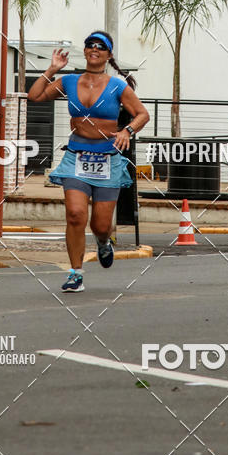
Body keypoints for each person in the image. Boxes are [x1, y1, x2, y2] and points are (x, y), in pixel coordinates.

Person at [28, 30, 149, 292]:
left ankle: (103, 242)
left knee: (101, 225)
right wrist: (52, 68)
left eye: (101, 47)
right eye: (90, 45)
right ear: (84, 51)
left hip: (107, 159)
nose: (94, 49)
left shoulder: (118, 85)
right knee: (74, 215)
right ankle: (75, 273)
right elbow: (35, 96)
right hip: (77, 157)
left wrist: (126, 131)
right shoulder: (69, 80)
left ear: (108, 54)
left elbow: (142, 114)